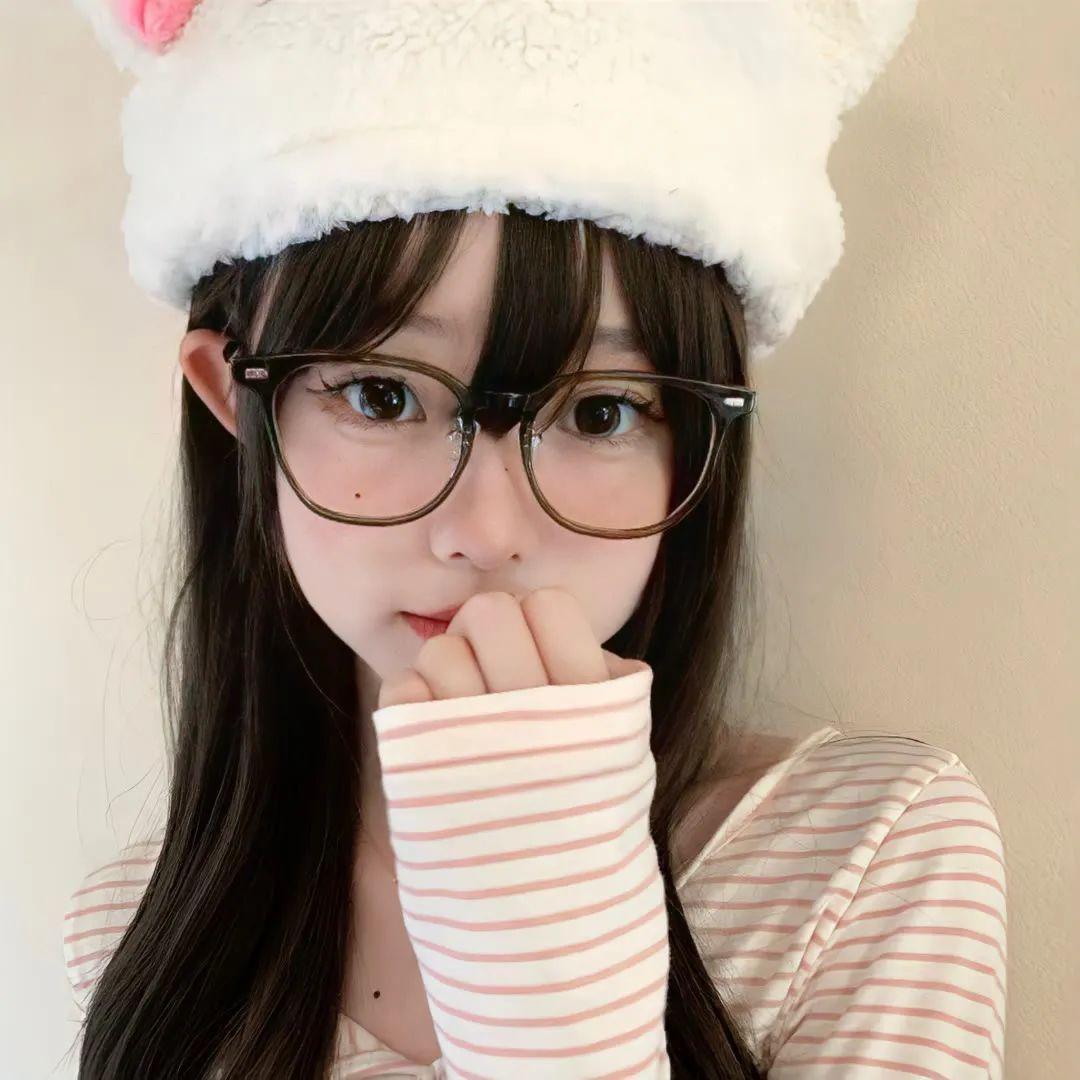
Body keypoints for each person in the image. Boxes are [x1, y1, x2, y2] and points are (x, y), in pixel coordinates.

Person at [61, 2, 1006, 1078]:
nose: (488, 531)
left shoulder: (859, 860)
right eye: (381, 394)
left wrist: (550, 961)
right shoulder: (140, 936)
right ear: (234, 398)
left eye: (599, 412)